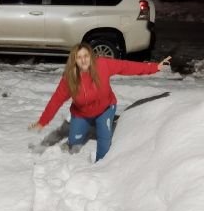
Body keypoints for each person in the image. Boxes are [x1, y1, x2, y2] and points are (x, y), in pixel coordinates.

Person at [29, 43, 171, 162]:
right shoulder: (70, 77)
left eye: (86, 56)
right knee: (73, 143)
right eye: (79, 57)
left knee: (104, 141)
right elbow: (56, 100)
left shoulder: (102, 65)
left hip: (105, 109)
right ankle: (86, 128)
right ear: (74, 60)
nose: (83, 60)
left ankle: (100, 166)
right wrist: (43, 121)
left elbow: (126, 66)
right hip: (82, 113)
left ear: (91, 56)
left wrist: (154, 67)